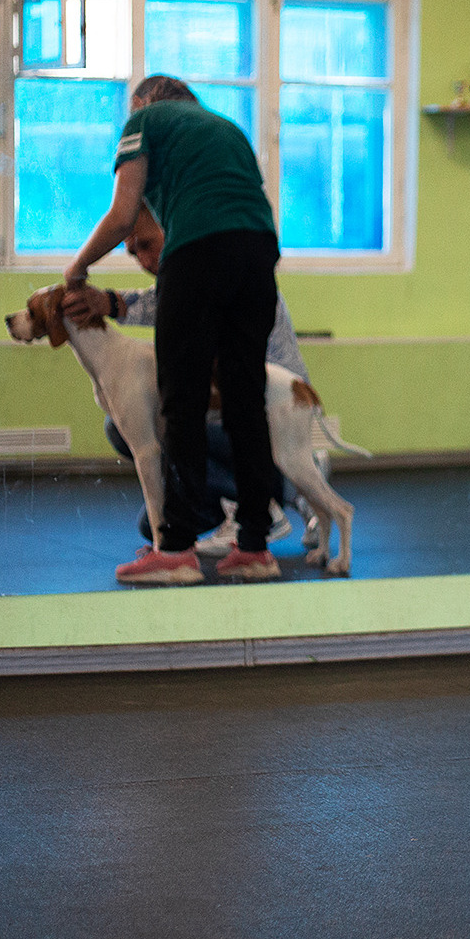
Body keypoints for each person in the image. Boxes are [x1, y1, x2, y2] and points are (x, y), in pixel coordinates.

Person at [64, 74, 284, 586]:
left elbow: (124, 215)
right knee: (245, 398)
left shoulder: (144, 121)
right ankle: (255, 547)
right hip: (258, 251)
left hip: (199, 249)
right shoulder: (227, 128)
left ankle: (178, 551)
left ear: (144, 102)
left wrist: (77, 268)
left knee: (180, 398)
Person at [64, 204, 312, 556]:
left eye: (147, 245)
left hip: (267, 422)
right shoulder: (190, 281)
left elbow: (173, 303)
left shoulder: (221, 277)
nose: (144, 261)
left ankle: (265, 504)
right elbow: (160, 301)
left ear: (174, 231)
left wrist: (98, 291)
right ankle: (270, 491)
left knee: (161, 425)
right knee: (152, 522)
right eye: (133, 253)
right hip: (237, 421)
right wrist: (108, 301)